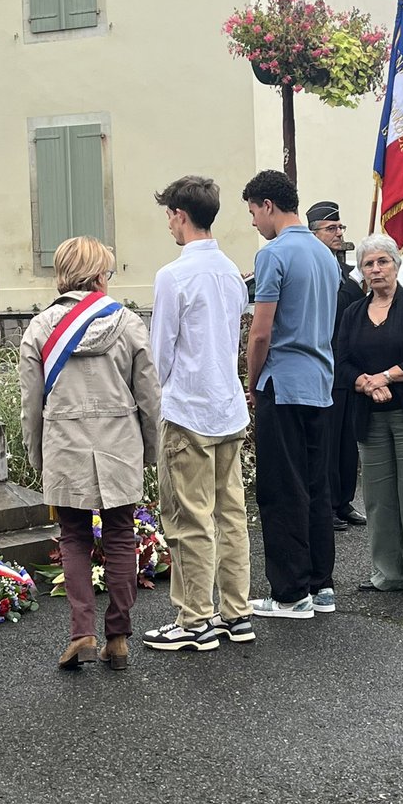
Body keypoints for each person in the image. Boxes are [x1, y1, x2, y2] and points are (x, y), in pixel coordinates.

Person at [19, 236, 160, 670]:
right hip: (119, 443)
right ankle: (117, 635)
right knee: (120, 534)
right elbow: (149, 394)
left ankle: (82, 631)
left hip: (65, 443)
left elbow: (31, 403)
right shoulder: (129, 323)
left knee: (74, 537)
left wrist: (37, 456)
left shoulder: (40, 328)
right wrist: (150, 448)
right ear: (100, 275)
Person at [143, 176, 254, 652]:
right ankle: (237, 611)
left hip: (188, 407)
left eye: (168, 214)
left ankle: (195, 620)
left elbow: (159, 352)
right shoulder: (231, 270)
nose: (167, 223)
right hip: (227, 406)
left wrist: (156, 398)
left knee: (188, 518)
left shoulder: (174, 275)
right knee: (231, 514)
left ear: (180, 216)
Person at [242, 169, 341, 618]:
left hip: (281, 383)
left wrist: (251, 381)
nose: (253, 223)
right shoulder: (325, 255)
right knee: (318, 487)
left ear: (267, 206)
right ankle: (321, 585)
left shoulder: (273, 254)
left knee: (282, 490)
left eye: (252, 212)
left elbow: (261, 333)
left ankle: (289, 593)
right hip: (321, 383)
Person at [336, 233, 403, 599]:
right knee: (379, 498)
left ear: (396, 265)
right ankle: (388, 573)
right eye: (369, 263)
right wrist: (365, 383)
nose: (376, 268)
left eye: (383, 261)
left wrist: (386, 376)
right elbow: (341, 361)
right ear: (362, 272)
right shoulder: (353, 314)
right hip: (370, 416)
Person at [306, 199, 368, 532]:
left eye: (340, 227)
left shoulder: (349, 280)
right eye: (331, 228)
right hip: (319, 368)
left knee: (346, 441)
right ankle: (325, 504)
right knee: (325, 443)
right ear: (314, 233)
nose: (338, 234)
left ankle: (343, 500)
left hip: (346, 369)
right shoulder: (310, 272)